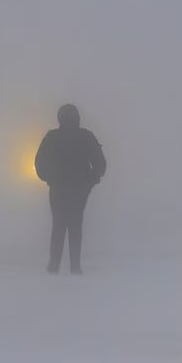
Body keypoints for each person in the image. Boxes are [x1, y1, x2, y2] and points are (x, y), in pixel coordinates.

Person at [34, 104, 106, 274]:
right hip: (79, 189)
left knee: (58, 224)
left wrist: (50, 179)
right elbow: (100, 164)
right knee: (75, 225)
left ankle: (54, 265)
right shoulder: (86, 136)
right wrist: (91, 180)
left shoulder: (52, 137)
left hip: (59, 188)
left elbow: (39, 164)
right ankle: (75, 266)